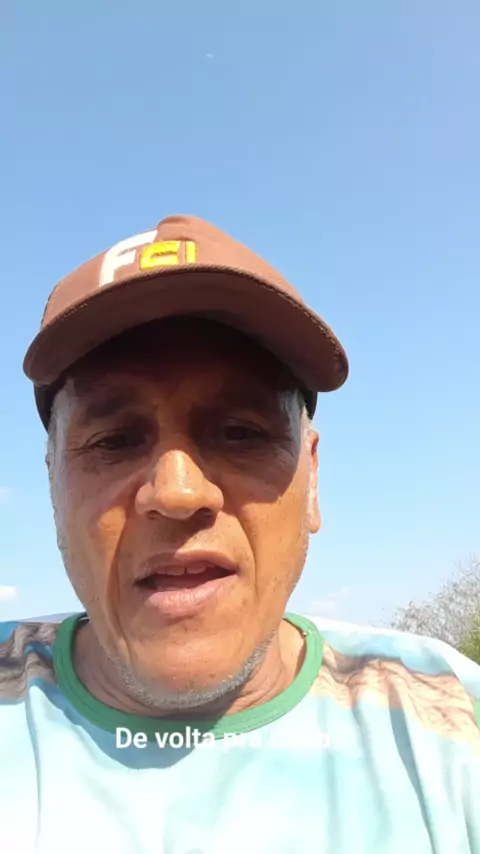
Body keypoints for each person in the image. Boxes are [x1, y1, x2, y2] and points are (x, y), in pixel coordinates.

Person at [1, 214, 479, 854]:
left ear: (312, 479)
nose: (177, 493)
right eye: (113, 441)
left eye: (240, 432)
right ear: (53, 483)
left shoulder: (450, 718)